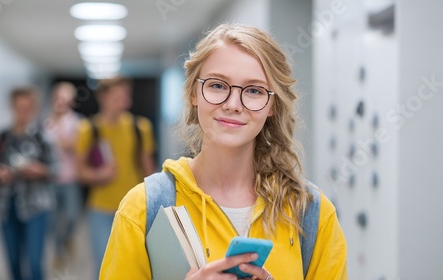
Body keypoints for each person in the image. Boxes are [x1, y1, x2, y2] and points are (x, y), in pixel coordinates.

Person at [100, 24, 347, 279]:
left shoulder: (311, 214)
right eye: (217, 85)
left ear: (272, 105)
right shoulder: (142, 208)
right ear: (193, 93)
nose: (232, 104)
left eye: (254, 90)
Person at [74, 76, 156, 278]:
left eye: (126, 95)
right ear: (102, 97)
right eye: (117, 96)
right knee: (103, 265)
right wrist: (98, 174)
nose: (124, 100)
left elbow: (150, 171)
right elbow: (80, 172)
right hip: (100, 208)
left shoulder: (140, 127)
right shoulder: (89, 129)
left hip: (135, 209)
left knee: (136, 265)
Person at [0, 87, 57, 280]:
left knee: (34, 263)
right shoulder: (0, 139)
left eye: (28, 108)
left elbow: (56, 169)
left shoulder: (42, 138)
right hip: (7, 206)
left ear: (34, 109)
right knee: (14, 261)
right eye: (20, 107)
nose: (23, 112)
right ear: (12, 107)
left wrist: (39, 170)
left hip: (36, 206)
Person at [44, 82, 82, 268]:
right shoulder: (46, 122)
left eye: (67, 99)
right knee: (53, 220)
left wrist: (56, 142)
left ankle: (67, 238)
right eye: (60, 97)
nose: (63, 102)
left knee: (72, 216)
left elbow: (72, 145)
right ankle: (58, 253)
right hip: (50, 179)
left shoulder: (76, 121)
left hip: (71, 178)